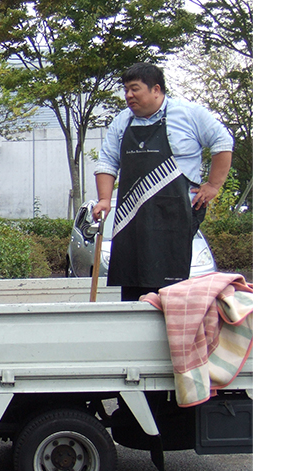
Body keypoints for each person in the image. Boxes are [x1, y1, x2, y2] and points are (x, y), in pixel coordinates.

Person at [92, 62, 233, 301]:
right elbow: (107, 161)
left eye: (134, 89)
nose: (128, 95)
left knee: (172, 291)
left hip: (175, 216)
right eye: (126, 89)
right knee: (133, 287)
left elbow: (222, 143)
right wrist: (105, 199)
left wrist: (213, 185)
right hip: (131, 219)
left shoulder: (190, 114)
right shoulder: (122, 122)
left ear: (156, 89)